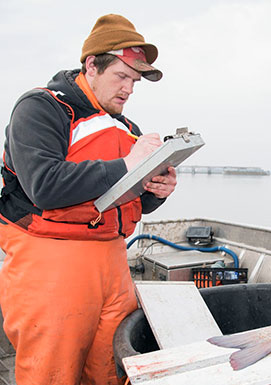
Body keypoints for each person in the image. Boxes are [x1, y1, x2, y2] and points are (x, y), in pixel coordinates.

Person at [0, 14, 176, 384]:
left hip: (113, 263)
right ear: (92, 65)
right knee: (51, 372)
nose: (129, 89)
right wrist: (128, 163)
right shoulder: (41, 108)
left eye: (135, 80)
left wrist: (156, 190)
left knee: (110, 369)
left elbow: (131, 203)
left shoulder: (127, 128)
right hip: (50, 264)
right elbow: (44, 186)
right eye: (122, 76)